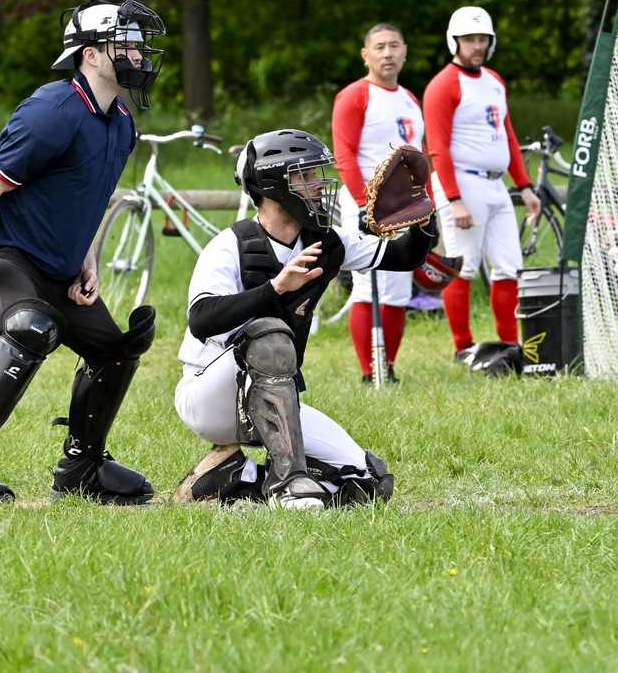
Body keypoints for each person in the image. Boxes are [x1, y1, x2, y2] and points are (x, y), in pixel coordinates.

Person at [0, 0, 166, 504]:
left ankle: (81, 470)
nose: (139, 55)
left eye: (140, 45)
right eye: (125, 44)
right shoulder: (51, 111)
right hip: (3, 260)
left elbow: (89, 198)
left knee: (118, 350)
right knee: (30, 328)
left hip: (60, 269)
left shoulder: (122, 121)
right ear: (92, 55)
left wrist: (88, 260)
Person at [173, 129, 436, 508]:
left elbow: (405, 256)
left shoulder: (326, 240)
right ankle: (288, 482)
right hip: (210, 394)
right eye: (306, 175)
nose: (318, 184)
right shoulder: (230, 245)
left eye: (316, 174)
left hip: (273, 395)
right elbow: (201, 319)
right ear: (271, 184)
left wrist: (424, 219)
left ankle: (235, 476)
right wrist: (275, 287)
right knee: (269, 335)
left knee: (368, 483)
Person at [424, 6, 541, 354]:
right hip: (463, 182)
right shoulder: (443, 85)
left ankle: (509, 343)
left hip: (495, 185)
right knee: (463, 266)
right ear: (454, 42)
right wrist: (454, 197)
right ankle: (464, 348)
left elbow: (507, 135)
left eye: (482, 39)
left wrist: (525, 186)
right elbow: (438, 147)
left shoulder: (493, 81)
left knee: (509, 266)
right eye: (469, 39)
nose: (477, 45)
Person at [332, 22, 426, 383]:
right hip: (366, 203)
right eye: (380, 47)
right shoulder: (355, 95)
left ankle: (389, 366)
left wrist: (422, 200)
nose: (388, 53)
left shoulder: (409, 98)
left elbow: (417, 156)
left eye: (394, 46)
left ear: (405, 52)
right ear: (366, 54)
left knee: (399, 286)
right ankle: (369, 370)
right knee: (367, 283)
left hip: (406, 205)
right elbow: (344, 154)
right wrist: (361, 204)